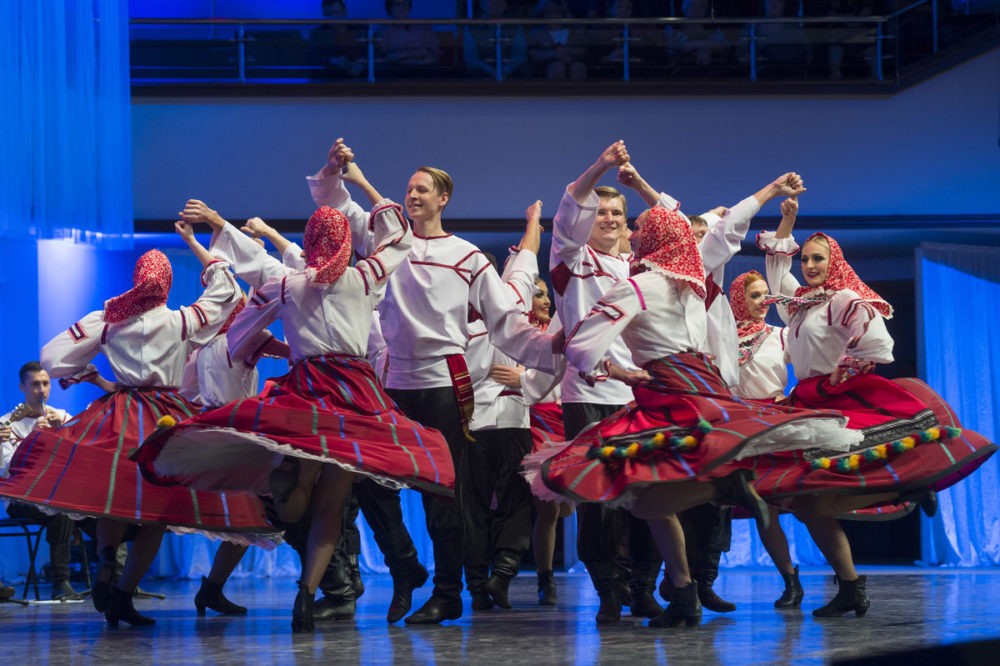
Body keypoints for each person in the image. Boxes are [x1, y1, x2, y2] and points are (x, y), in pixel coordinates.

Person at [136, 200, 457, 632]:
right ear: (346, 244)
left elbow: (241, 327)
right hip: (353, 392)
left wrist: (242, 347)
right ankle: (312, 593)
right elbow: (398, 241)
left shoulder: (289, 285)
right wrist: (378, 202)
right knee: (334, 502)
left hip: (308, 389)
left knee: (304, 485)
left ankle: (317, 551)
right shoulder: (363, 276)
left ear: (309, 244)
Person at [538, 205, 863, 628]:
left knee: (635, 491)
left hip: (666, 392)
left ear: (655, 238)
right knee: (649, 499)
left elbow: (583, 347)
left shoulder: (635, 287)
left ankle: (715, 507)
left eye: (639, 228)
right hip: (702, 387)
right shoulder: (690, 287)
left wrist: (614, 370)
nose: (632, 235)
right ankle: (685, 590)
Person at [309, 138, 563, 624]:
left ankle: (447, 592)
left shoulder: (467, 256)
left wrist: (549, 348)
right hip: (392, 381)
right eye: (409, 188)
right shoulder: (388, 243)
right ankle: (405, 563)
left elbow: (504, 320)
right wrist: (334, 170)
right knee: (367, 478)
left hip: (444, 382)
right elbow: (338, 207)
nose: (412, 195)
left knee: (446, 492)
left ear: (444, 198)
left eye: (422, 189)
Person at [0, 234, 277, 628]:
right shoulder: (180, 321)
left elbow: (50, 357)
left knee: (115, 497)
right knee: (157, 512)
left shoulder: (108, 320)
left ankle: (106, 556)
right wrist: (214, 264)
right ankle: (124, 594)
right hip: (164, 417)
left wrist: (82, 368)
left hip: (120, 414)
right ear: (166, 284)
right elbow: (229, 295)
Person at [752, 199, 998, 616]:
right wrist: (787, 223)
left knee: (823, 490)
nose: (809, 265)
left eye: (817, 258)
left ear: (834, 261)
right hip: (806, 402)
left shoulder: (843, 299)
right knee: (808, 504)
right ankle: (851, 586)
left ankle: (908, 487)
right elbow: (777, 270)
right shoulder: (799, 305)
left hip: (835, 398)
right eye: (805, 259)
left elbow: (880, 343)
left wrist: (845, 367)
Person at [549, 141, 663, 624]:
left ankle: (643, 586)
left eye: (617, 212)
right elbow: (569, 206)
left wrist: (639, 184)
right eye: (601, 212)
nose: (610, 218)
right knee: (598, 497)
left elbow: (676, 226)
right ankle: (609, 590)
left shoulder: (643, 268)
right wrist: (601, 167)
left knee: (648, 494)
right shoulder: (571, 263)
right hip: (590, 393)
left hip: (642, 396)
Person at [0, 362, 81, 600]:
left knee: (104, 511)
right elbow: (7, 470)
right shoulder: (6, 424)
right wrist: (34, 440)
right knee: (61, 511)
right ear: (22, 387)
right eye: (35, 384)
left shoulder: (63, 418)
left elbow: (80, 460)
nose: (42, 390)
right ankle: (60, 582)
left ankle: (115, 581)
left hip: (56, 493)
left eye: (46, 384)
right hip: (20, 497)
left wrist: (63, 433)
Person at [464, 0, 528, 79]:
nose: (496, 3)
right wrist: (490, 71)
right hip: (481, 74)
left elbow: (520, 56)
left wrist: (505, 71)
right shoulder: (471, 27)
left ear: (505, 5)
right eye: (491, 0)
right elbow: (471, 58)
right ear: (481, 3)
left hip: (510, 74)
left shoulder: (515, 26)